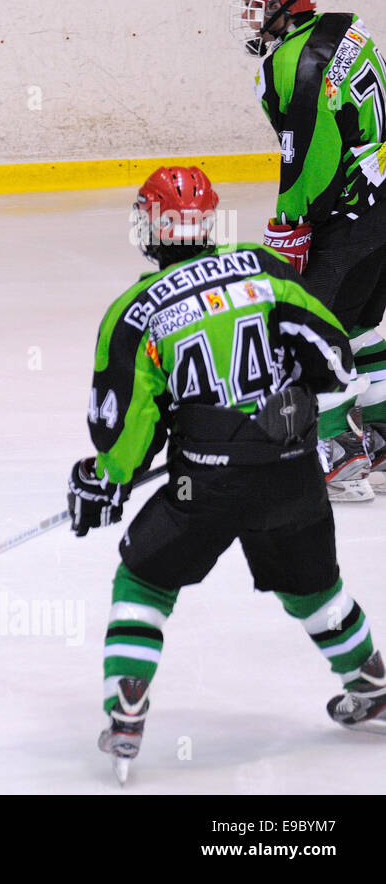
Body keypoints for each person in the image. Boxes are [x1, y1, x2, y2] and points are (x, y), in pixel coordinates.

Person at [67, 165, 385, 784]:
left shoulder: (134, 312)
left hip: (204, 486)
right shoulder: (263, 269)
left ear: (150, 228)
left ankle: (127, 705)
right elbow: (331, 356)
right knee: (313, 586)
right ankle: (368, 680)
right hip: (291, 469)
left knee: (145, 582)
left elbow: (125, 427)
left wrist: (104, 478)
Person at [229, 0, 386, 500]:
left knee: (312, 328)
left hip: (344, 213)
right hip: (379, 201)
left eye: (258, 6)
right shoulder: (347, 31)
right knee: (365, 318)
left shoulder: (296, 63)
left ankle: (338, 452)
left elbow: (311, 158)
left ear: (287, 4)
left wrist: (291, 223)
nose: (250, 17)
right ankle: (384, 437)